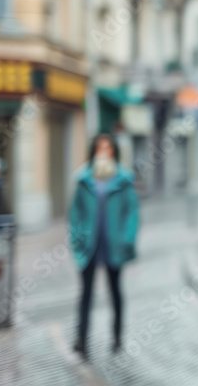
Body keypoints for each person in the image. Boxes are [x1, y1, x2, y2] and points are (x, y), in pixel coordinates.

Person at [68, 133, 139, 360]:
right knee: (85, 294)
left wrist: (127, 237)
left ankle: (117, 337)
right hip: (90, 245)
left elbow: (132, 211)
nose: (104, 152)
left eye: (108, 148)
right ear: (93, 151)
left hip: (113, 245)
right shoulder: (83, 179)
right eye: (100, 147)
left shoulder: (124, 179)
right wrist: (76, 238)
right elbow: (75, 212)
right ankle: (81, 340)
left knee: (115, 292)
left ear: (114, 151)